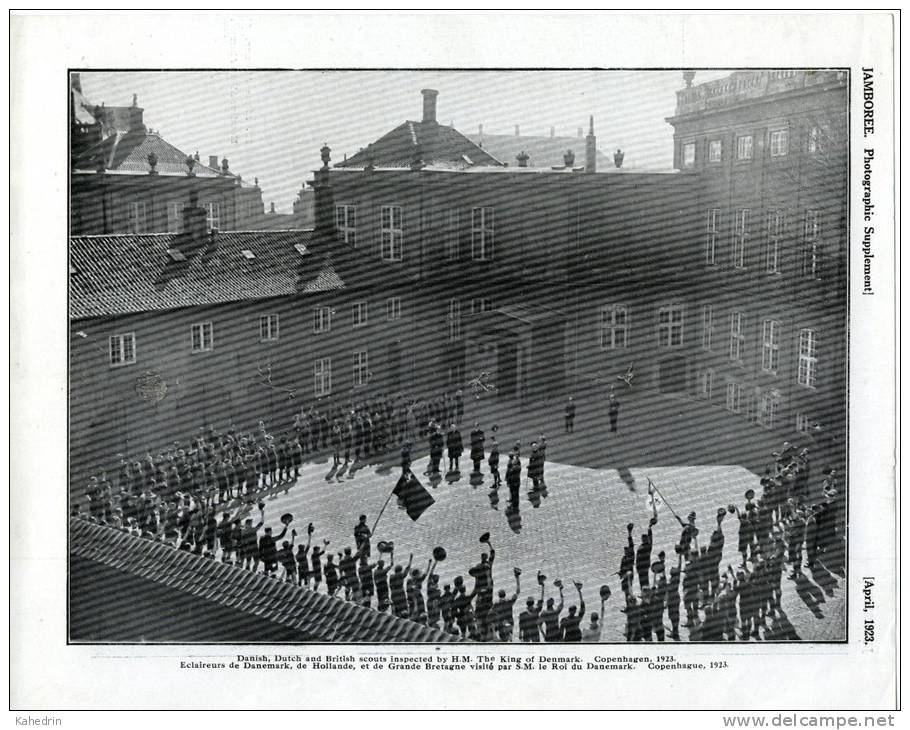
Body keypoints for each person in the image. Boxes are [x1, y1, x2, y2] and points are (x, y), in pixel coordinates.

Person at [492, 568, 521, 641]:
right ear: (505, 594)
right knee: (510, 638)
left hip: (501, 624)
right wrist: (517, 579)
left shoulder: (496, 604)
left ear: (499, 595)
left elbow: (492, 614)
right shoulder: (509, 601)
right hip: (510, 622)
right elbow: (518, 592)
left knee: (502, 640)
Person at [635, 517, 656, 590]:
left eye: (644, 539)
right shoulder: (641, 546)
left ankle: (646, 593)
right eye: (642, 539)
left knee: (645, 582)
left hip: (644, 567)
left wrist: (649, 528)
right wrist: (637, 567)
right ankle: (644, 593)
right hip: (640, 567)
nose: (643, 540)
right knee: (642, 582)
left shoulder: (648, 546)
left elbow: (651, 537)